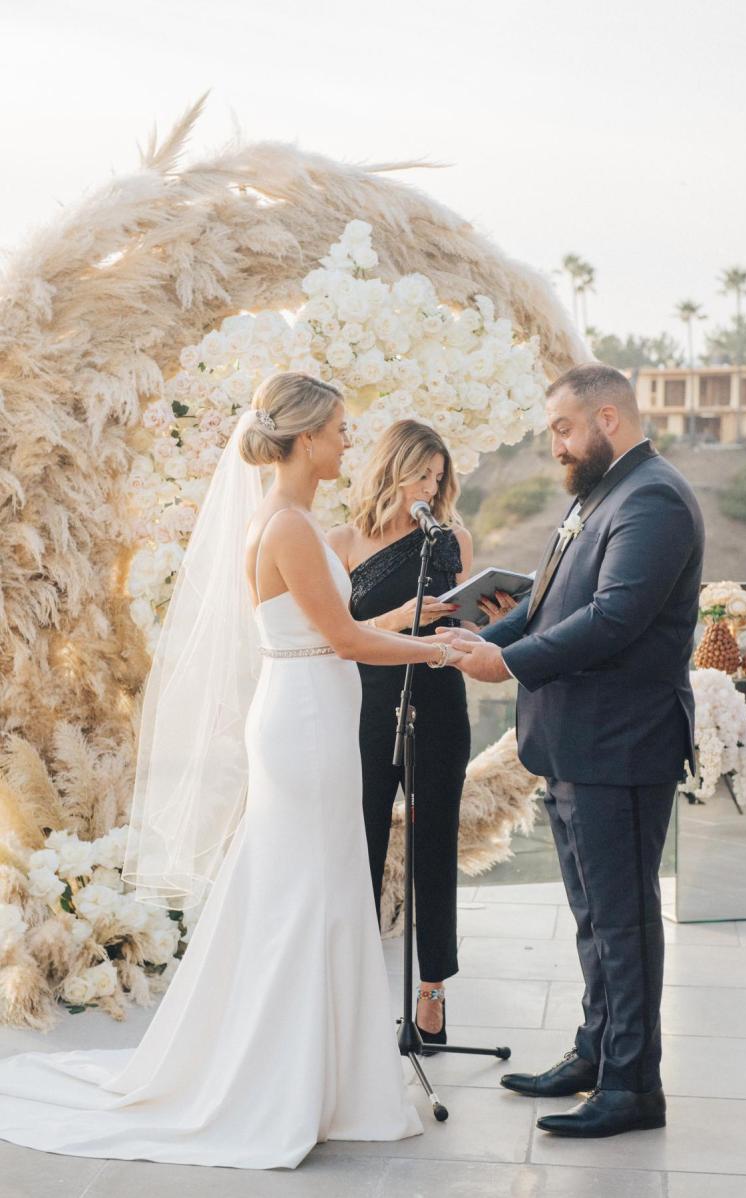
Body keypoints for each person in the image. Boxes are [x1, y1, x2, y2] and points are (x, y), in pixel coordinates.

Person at [0, 373, 468, 1169]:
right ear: (306, 437)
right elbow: (345, 642)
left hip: (309, 708)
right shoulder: (286, 525)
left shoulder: (289, 519)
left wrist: (407, 623)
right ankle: (284, 1081)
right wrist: (437, 647)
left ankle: (324, 1078)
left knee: (313, 890)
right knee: (308, 894)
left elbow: (334, 625)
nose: (351, 442)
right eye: (341, 429)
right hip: (309, 720)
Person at [439, 364, 704, 1138]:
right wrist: (476, 641)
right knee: (593, 917)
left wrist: (508, 664)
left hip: (622, 746)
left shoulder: (651, 497)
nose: (554, 444)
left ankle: (633, 1086)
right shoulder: (597, 497)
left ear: (609, 418)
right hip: (575, 743)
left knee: (624, 921)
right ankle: (596, 1053)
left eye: (563, 428)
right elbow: (548, 604)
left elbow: (616, 618)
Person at [328, 419, 515, 1051]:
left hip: (439, 705)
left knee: (436, 850)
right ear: (390, 468)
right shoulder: (343, 541)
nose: (432, 489)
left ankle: (431, 993)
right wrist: (397, 619)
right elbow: (332, 640)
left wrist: (495, 623)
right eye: (422, 474)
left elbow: (467, 634)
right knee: (360, 848)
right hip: (368, 708)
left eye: (440, 478)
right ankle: (346, 992)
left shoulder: (452, 538)